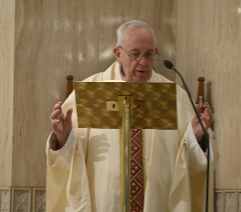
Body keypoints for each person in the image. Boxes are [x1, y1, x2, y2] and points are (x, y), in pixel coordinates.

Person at [47, 20, 218, 212]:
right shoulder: (92, 93)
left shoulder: (174, 96)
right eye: (135, 54)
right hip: (104, 203)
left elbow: (193, 163)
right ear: (118, 54)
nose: (143, 62)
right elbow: (68, 160)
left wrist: (197, 137)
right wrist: (63, 136)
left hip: (159, 203)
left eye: (149, 54)